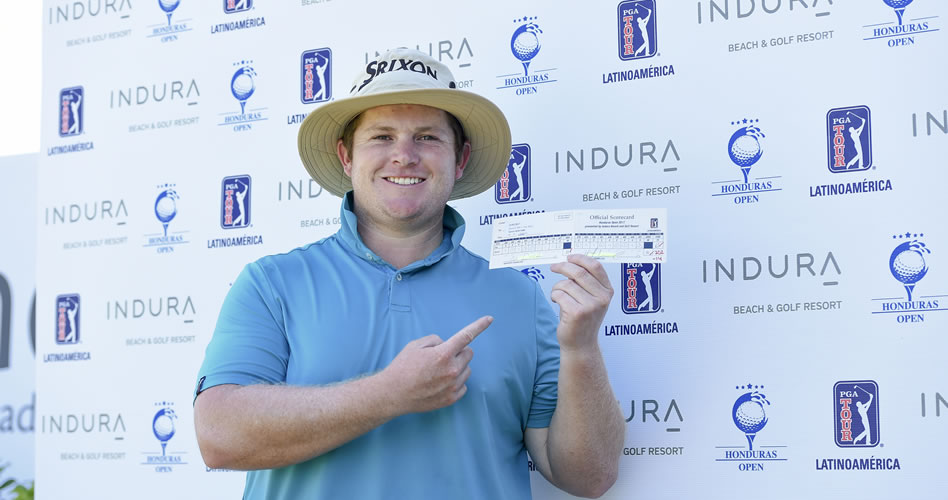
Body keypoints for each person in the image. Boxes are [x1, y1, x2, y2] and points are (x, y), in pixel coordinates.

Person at [193, 48, 624, 499]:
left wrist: (582, 348)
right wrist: (389, 393)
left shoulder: (520, 296)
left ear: (460, 160)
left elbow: (588, 477)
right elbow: (218, 436)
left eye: (427, 138)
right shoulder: (272, 284)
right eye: (381, 137)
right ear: (346, 157)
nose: (404, 156)